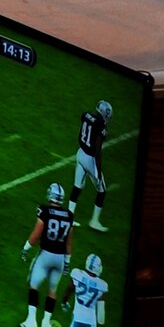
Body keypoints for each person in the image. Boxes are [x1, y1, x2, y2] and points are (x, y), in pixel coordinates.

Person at [18, 182, 75, 327]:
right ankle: (45, 323)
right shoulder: (69, 215)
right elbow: (69, 242)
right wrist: (67, 262)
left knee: (34, 285)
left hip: (46, 256)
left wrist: (25, 248)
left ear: (51, 195)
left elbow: (36, 234)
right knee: (52, 290)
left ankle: (31, 320)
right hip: (60, 259)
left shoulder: (44, 211)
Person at [69, 99, 111, 231]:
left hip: (80, 153)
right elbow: (98, 151)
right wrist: (98, 171)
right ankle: (94, 221)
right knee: (102, 190)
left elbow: (84, 124)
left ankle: (69, 218)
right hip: (90, 159)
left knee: (77, 187)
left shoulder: (86, 115)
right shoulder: (101, 127)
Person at [65, 253, 107, 327]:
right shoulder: (102, 285)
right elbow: (101, 311)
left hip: (78, 319)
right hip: (91, 323)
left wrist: (64, 302)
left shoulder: (77, 274)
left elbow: (69, 290)